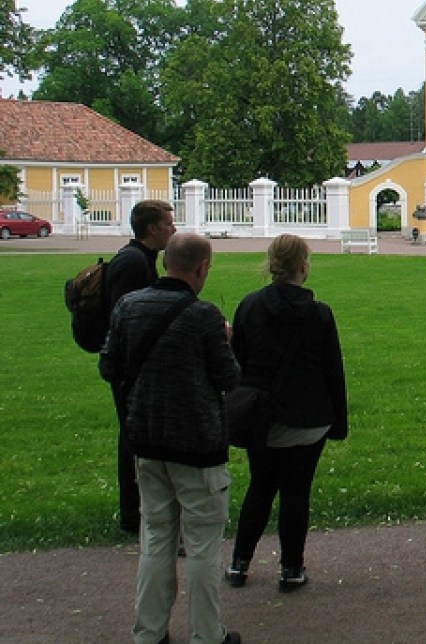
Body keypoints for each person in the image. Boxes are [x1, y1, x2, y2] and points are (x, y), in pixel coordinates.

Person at [99, 233, 242, 644]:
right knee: (201, 545)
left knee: (156, 538)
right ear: (202, 268)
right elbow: (229, 378)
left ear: (165, 263)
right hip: (197, 444)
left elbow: (109, 365)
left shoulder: (129, 306)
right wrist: (226, 341)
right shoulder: (204, 316)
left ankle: (149, 631)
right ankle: (206, 634)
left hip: (146, 438)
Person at [226, 234, 348, 593]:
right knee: (296, 493)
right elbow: (332, 370)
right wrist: (338, 421)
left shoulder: (249, 306)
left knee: (260, 488)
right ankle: (291, 568)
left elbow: (240, 364)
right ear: (303, 266)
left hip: (262, 417)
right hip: (308, 418)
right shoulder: (319, 314)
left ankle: (239, 563)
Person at [105, 199, 177, 534]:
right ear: (152, 229)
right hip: (131, 367)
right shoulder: (134, 263)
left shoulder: (138, 258)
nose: (173, 229)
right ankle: (133, 513)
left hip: (130, 364)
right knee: (133, 438)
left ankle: (138, 509)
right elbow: (130, 317)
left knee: (134, 436)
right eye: (168, 224)